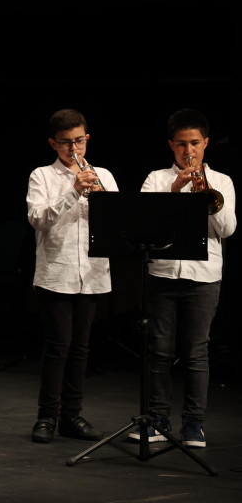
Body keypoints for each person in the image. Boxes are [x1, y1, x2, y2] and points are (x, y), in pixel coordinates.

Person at [134, 108, 236, 448]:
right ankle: (158, 419)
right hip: (163, 272)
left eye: (194, 143)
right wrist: (176, 193)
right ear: (171, 145)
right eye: (181, 144)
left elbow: (226, 230)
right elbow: (148, 229)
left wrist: (205, 198)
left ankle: (194, 424)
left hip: (204, 277)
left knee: (196, 352)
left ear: (206, 143)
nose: (188, 151)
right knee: (159, 350)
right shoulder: (155, 179)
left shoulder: (221, 182)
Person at [26, 108, 118, 444]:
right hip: (57, 272)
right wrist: (74, 193)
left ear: (87, 138)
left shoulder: (103, 174)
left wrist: (105, 202)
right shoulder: (42, 176)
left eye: (79, 141)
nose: (74, 149)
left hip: (92, 272)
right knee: (57, 347)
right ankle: (47, 416)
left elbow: (117, 225)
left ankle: (72, 416)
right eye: (66, 143)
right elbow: (38, 219)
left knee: (81, 349)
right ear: (53, 144)